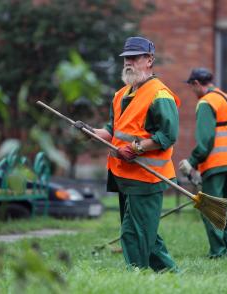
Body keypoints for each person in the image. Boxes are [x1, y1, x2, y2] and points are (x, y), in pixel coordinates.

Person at [75, 37, 180, 272]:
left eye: (135, 58)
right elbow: (112, 132)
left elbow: (167, 136)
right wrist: (89, 132)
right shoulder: (121, 95)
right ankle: (173, 277)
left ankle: (136, 277)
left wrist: (135, 149)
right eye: (126, 59)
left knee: (133, 233)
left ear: (150, 60)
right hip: (124, 175)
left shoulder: (160, 95)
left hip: (148, 176)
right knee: (146, 233)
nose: (128, 63)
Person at [179, 68, 227, 258]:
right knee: (223, 207)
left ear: (196, 83)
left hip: (217, 161)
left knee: (210, 208)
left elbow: (206, 138)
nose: (192, 92)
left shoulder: (205, 103)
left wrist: (192, 161)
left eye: (191, 87)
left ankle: (218, 253)